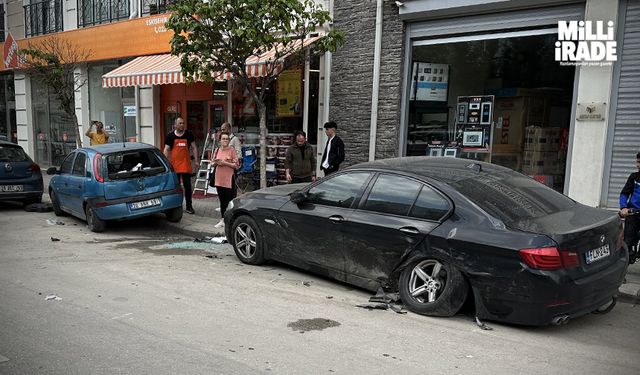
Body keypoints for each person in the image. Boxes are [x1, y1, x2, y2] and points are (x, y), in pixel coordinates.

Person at [163, 117, 199, 214]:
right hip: (175, 166)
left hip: (186, 165)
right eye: (180, 123)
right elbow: (166, 149)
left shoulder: (188, 134)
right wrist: (165, 164)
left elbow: (194, 147)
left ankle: (189, 206)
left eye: (183, 123)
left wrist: (196, 161)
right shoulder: (170, 136)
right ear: (175, 125)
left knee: (188, 186)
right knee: (176, 187)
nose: (182, 125)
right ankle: (177, 206)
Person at [212, 132, 239, 228]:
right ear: (220, 141)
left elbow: (236, 165)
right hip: (219, 178)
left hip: (229, 179)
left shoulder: (232, 150)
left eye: (227, 139)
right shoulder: (217, 150)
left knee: (229, 201)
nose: (225, 140)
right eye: (223, 139)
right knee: (222, 201)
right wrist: (216, 163)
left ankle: (230, 220)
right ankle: (223, 219)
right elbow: (212, 163)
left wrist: (224, 163)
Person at [619, 152, 640, 264]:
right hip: (634, 213)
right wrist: (623, 208)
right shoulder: (634, 177)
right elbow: (624, 194)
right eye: (637, 162)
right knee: (627, 241)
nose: (637, 165)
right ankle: (622, 270)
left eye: (639, 162)